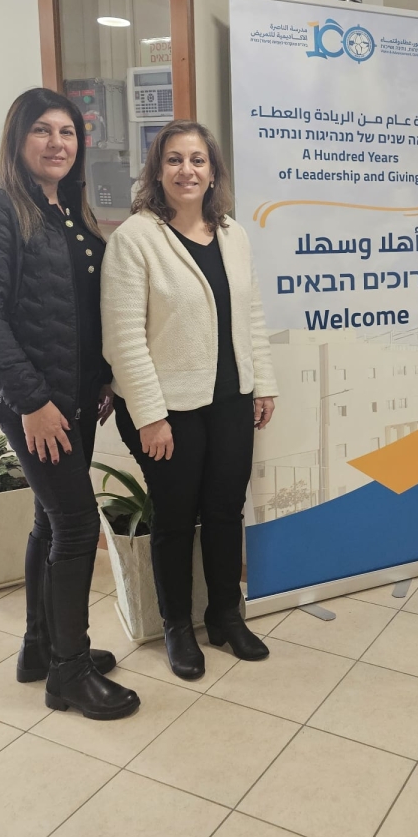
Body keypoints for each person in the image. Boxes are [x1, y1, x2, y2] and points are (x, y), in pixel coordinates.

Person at [0, 88, 140, 720]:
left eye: (68, 132)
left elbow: (83, 309)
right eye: (42, 130)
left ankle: (40, 648)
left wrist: (102, 378)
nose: (58, 143)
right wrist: (33, 403)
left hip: (74, 397)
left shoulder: (68, 210)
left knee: (50, 521)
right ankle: (69, 672)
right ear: (17, 138)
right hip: (33, 400)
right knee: (77, 523)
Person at [101, 120, 278, 680]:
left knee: (225, 511)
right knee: (175, 519)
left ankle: (225, 614)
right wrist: (149, 416)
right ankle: (177, 624)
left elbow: (251, 314)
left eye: (198, 160)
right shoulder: (136, 238)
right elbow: (124, 338)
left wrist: (263, 382)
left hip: (231, 400)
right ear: (157, 171)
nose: (187, 170)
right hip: (168, 411)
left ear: (213, 171)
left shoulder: (232, 233)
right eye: (174, 160)